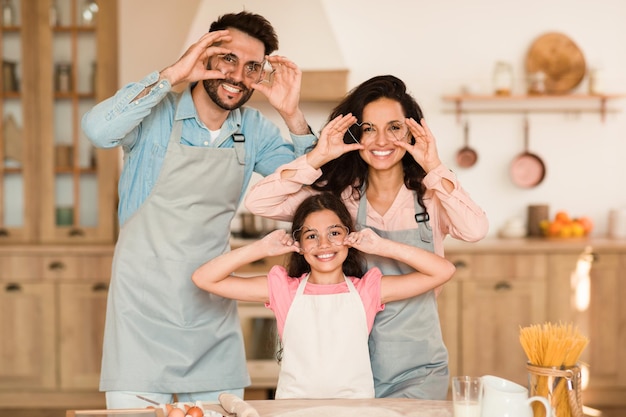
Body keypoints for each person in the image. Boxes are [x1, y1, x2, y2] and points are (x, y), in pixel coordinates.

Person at [81, 11, 317, 408]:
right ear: (204, 56)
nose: (238, 75)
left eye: (251, 67)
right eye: (228, 59)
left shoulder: (254, 129)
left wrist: (292, 114)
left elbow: (314, 193)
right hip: (140, 319)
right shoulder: (157, 114)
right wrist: (172, 74)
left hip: (211, 321)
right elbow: (98, 130)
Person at [244, 75, 489, 399]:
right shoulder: (343, 197)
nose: (381, 140)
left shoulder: (431, 196)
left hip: (415, 367)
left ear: (413, 131)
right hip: (347, 369)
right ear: (356, 134)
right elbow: (258, 201)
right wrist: (317, 155)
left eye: (394, 128)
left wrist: (433, 164)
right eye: (369, 128)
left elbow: (475, 230)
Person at [192, 193, 456, 399]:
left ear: (348, 237)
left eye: (334, 233)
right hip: (295, 408)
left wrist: (381, 245)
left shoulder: (368, 290)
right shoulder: (283, 289)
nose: (324, 244)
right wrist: (260, 247)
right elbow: (203, 278)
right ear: (300, 245)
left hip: (356, 409)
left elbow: (442, 271)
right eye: (311, 236)